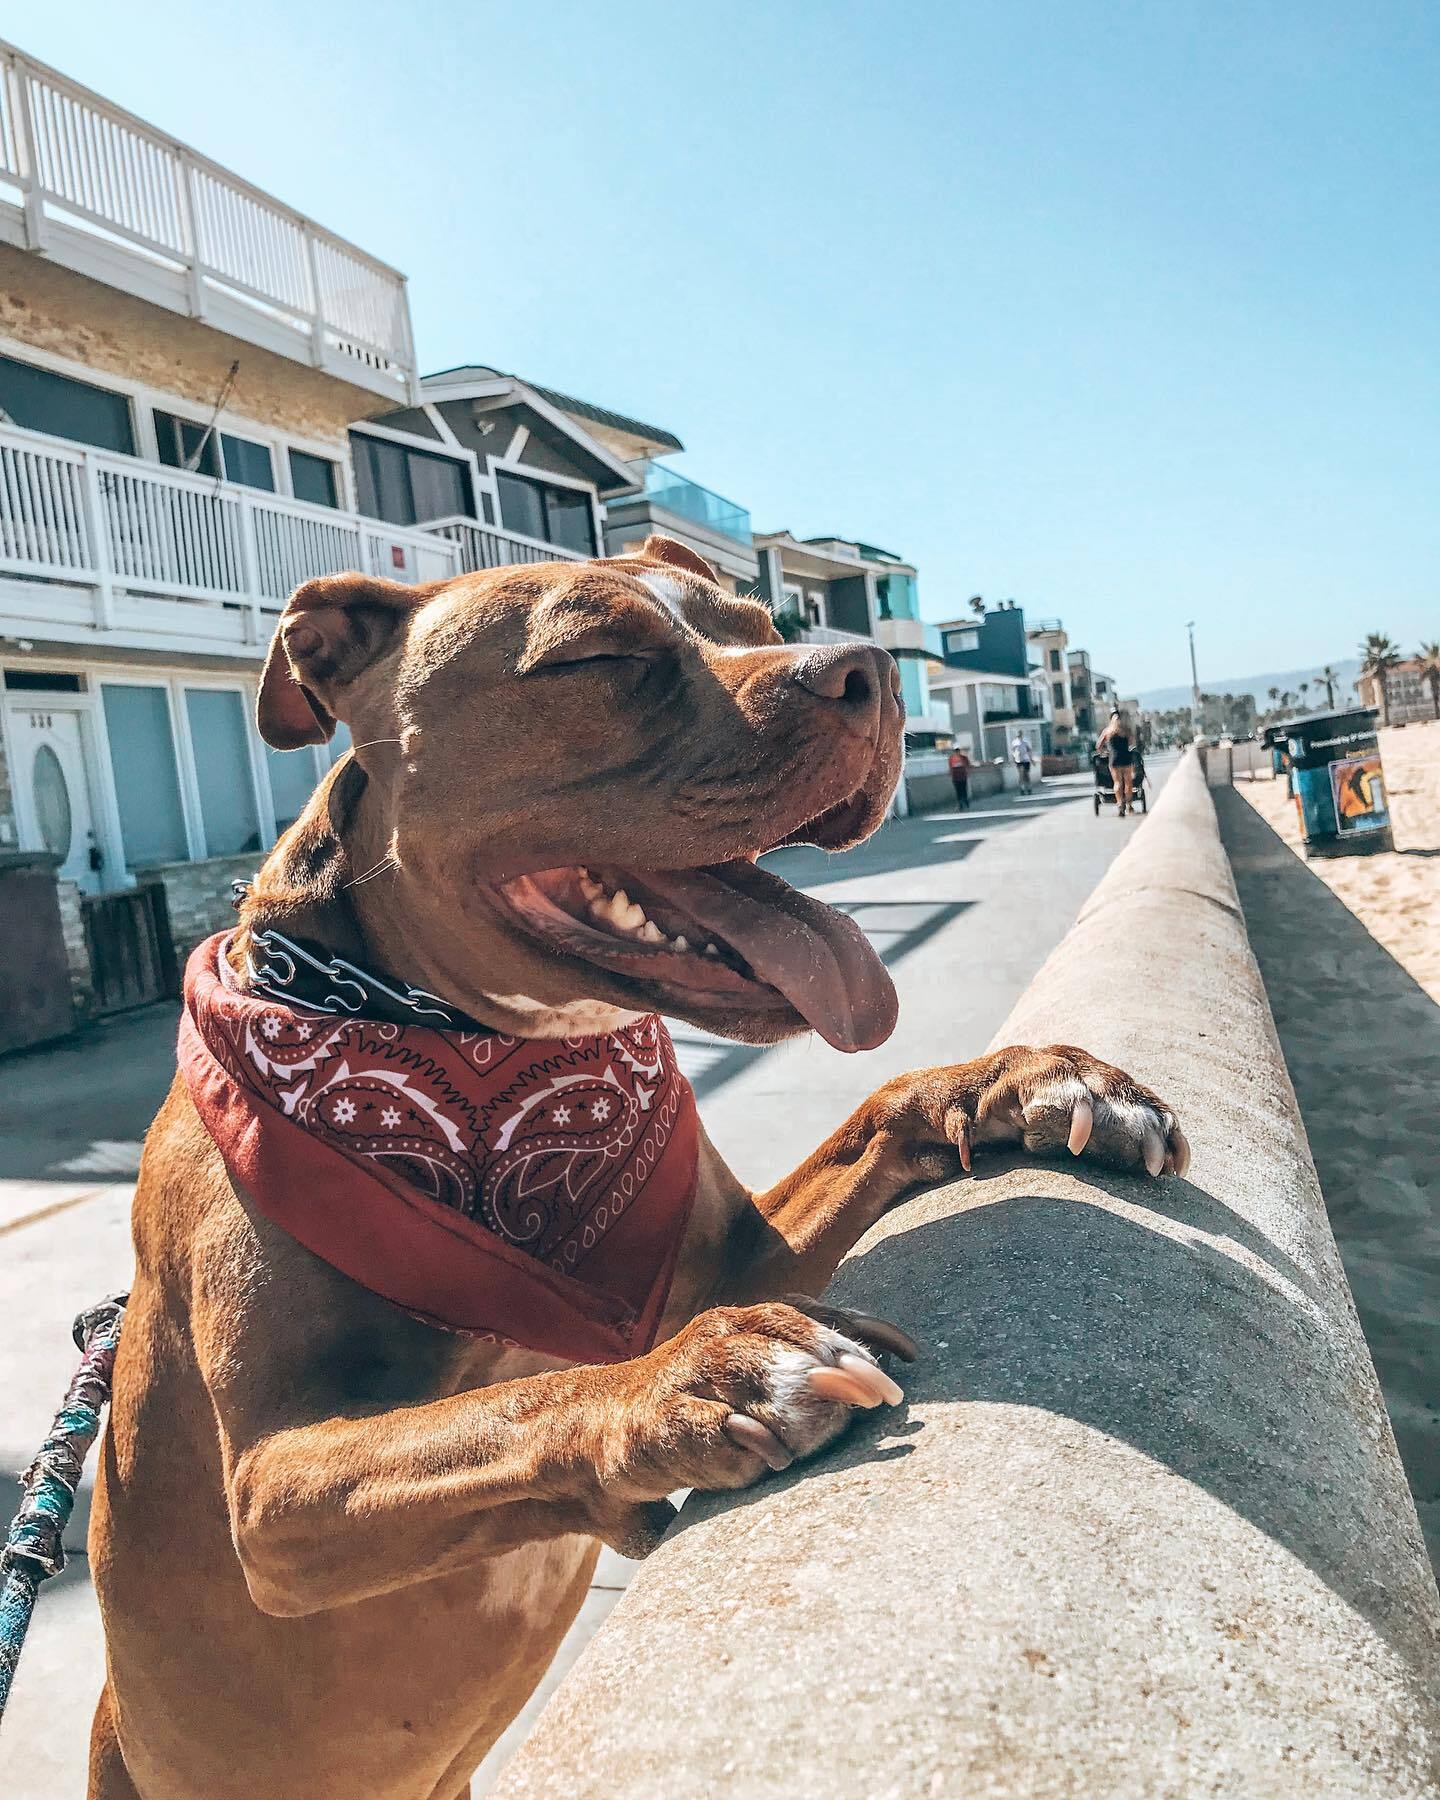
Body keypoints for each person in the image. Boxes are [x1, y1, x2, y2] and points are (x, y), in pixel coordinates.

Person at [1097, 708, 1136, 816]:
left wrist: (1104, 752)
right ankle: (1129, 805)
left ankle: (1120, 804)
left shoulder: (1107, 731)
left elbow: (1098, 746)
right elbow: (1133, 742)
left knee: (1117, 782)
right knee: (1128, 782)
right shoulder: (1126, 729)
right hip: (1126, 758)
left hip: (1114, 759)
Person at [947, 743, 972, 810]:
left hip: (963, 777)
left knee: (963, 790)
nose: (957, 751)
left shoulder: (964, 758)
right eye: (955, 750)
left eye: (958, 750)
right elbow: (950, 767)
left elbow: (968, 765)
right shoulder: (951, 758)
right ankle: (960, 804)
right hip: (955, 778)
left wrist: (968, 772)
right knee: (958, 792)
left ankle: (965, 802)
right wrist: (951, 774)